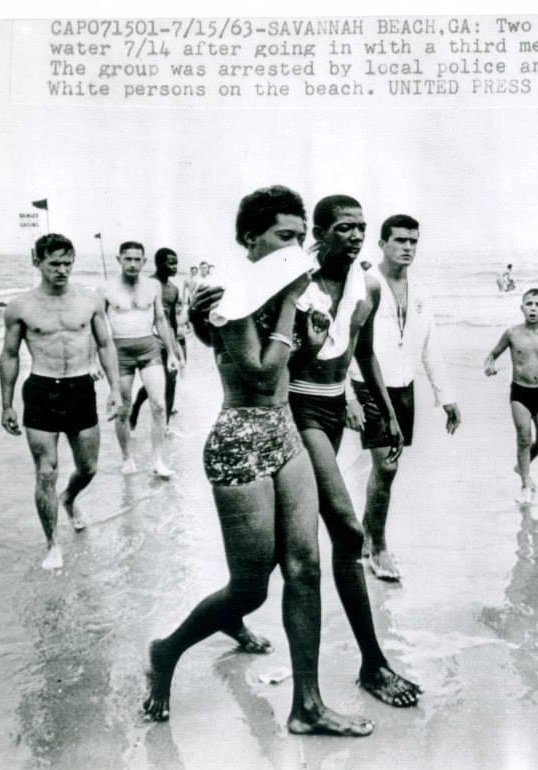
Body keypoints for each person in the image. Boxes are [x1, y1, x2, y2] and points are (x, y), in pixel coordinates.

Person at [143, 186, 372, 736]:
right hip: (240, 440)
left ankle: (307, 705)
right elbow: (263, 375)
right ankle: (165, 651)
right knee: (250, 588)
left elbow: (302, 357)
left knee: (306, 567)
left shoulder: (275, 288)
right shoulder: (229, 293)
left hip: (284, 433)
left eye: (300, 236)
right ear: (251, 237)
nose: (298, 247)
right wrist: (293, 301)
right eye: (285, 236)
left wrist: (312, 332)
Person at [191, 194, 422, 708]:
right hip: (299, 413)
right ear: (320, 233)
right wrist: (196, 315)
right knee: (346, 528)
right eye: (344, 228)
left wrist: (382, 408)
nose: (356, 236)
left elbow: (361, 352)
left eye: (362, 227)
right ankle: (372, 663)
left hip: (337, 407)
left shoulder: (367, 285)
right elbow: (240, 346)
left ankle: (234, 614)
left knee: (279, 558)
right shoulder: (293, 280)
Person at [346, 214, 461, 582]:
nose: (408, 247)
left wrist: (447, 397)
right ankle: (378, 548)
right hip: (366, 383)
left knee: (387, 470)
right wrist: (347, 394)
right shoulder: (364, 284)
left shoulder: (422, 292)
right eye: (399, 240)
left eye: (413, 241)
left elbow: (430, 348)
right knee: (387, 466)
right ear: (382, 244)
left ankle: (366, 534)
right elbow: (345, 343)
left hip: (404, 385)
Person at [0, 233, 121, 569]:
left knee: (89, 467)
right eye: (54, 263)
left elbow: (106, 345)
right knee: (45, 472)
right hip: (41, 389)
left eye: (68, 263)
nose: (62, 270)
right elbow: (9, 355)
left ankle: (68, 499)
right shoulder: (20, 306)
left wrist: (116, 390)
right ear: (36, 261)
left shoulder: (89, 300)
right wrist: (6, 403)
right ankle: (52, 544)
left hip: (80, 387)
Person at [99, 241, 181, 477]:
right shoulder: (106, 289)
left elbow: (161, 321)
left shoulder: (152, 286)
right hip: (120, 352)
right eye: (128, 259)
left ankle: (158, 461)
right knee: (123, 409)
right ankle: (127, 457)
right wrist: (94, 361)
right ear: (119, 259)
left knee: (159, 405)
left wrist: (172, 353)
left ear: (144, 261)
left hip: (148, 347)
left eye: (137, 259)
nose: (133, 264)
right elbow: (99, 329)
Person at [484, 288, 538, 504]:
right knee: (524, 438)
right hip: (520, 393)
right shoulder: (512, 334)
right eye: (529, 304)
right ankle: (525, 484)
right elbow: (492, 355)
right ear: (522, 308)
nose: (533, 308)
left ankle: (521, 466)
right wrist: (489, 365)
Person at [128, 248, 186, 432]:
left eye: (176, 262)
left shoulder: (174, 289)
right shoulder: (147, 284)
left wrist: (176, 347)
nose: (175, 266)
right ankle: (136, 406)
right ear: (159, 263)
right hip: (150, 338)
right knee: (154, 383)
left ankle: (165, 426)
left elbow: (173, 321)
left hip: (168, 340)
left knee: (171, 382)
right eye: (171, 262)